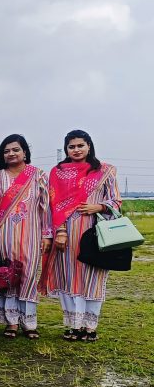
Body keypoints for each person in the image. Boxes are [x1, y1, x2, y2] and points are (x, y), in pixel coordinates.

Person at [45, 130, 120, 342]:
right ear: (66, 149)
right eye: (72, 146)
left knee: (92, 278)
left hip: (94, 233)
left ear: (89, 146)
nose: (76, 150)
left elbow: (116, 201)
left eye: (80, 145)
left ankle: (90, 326)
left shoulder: (104, 170)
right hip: (66, 234)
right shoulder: (58, 172)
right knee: (68, 277)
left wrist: (99, 206)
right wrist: (60, 232)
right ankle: (73, 325)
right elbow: (53, 205)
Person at [0, 134, 52, 340]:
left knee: (28, 275)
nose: (11, 154)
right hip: (3, 235)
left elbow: (45, 208)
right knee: (7, 274)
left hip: (31, 234)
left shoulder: (38, 175)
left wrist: (47, 234)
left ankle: (29, 322)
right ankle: (11, 322)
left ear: (25, 152)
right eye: (7, 151)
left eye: (15, 150)